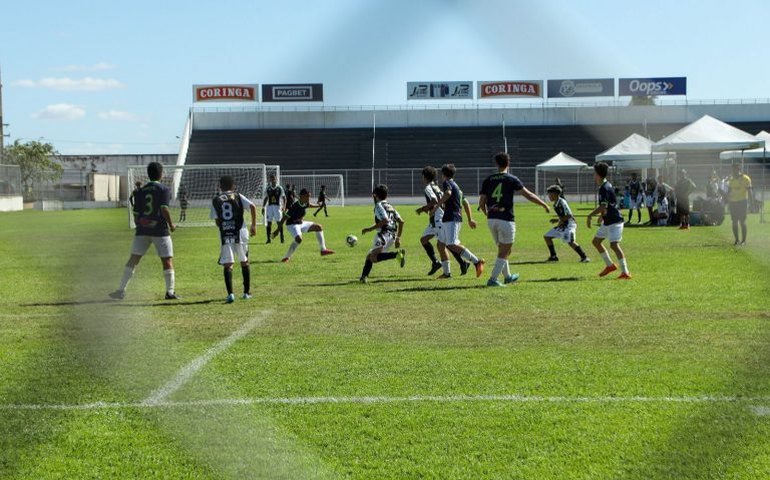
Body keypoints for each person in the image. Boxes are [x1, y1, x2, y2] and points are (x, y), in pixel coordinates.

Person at [478, 152, 551, 287]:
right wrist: (543, 204)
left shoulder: (488, 179)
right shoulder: (511, 179)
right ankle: (493, 279)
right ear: (508, 163)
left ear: (496, 163)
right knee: (505, 250)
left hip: (491, 219)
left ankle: (508, 277)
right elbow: (528, 195)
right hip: (506, 219)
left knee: (503, 249)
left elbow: (481, 202)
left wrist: (488, 214)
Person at [110, 162, 179, 300]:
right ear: (161, 174)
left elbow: (136, 213)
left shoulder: (141, 190)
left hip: (142, 230)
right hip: (160, 230)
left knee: (133, 259)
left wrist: (141, 224)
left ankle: (121, 290)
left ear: (148, 174)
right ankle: (170, 292)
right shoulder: (163, 189)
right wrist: (171, 225)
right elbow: (164, 208)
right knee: (166, 260)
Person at [415, 166, 471, 276]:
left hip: (438, 219)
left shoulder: (428, 188)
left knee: (446, 244)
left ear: (424, 177)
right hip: (435, 220)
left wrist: (423, 209)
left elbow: (434, 200)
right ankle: (437, 263)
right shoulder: (436, 187)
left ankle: (458, 266)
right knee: (424, 240)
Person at [211, 175, 257, 303]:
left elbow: (217, 221)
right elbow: (253, 206)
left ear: (220, 186)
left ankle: (230, 294)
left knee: (228, 264)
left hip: (226, 233)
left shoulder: (216, 200)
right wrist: (253, 225)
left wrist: (225, 225)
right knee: (244, 261)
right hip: (240, 232)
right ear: (233, 186)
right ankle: (246, 293)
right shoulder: (238, 196)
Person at [435, 164, 484, 279]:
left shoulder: (447, 183)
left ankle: (477, 262)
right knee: (441, 244)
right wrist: (470, 219)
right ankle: (447, 273)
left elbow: (448, 193)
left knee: (452, 244)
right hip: (449, 218)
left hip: (452, 218)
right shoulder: (457, 187)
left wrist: (436, 207)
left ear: (443, 175)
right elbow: (465, 202)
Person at [587, 162, 631, 279]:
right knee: (596, 242)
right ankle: (610, 266)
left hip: (615, 221)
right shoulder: (606, 185)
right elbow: (608, 204)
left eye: (594, 173)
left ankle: (625, 272)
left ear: (598, 175)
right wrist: (602, 215)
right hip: (607, 221)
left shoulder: (604, 188)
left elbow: (603, 206)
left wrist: (590, 215)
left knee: (614, 245)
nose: (593, 175)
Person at [359, 184, 406, 283]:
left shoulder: (378, 206)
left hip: (384, 235)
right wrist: (398, 238)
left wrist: (370, 229)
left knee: (373, 257)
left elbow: (385, 220)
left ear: (375, 195)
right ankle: (363, 277)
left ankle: (396, 255)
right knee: (370, 256)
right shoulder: (390, 206)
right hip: (392, 236)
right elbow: (401, 221)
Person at [273, 188, 334, 261]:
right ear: (302, 196)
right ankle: (286, 257)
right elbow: (284, 218)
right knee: (299, 239)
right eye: (308, 196)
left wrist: (318, 206)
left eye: (309, 196)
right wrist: (277, 230)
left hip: (301, 223)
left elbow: (309, 205)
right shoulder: (294, 206)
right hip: (292, 225)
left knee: (318, 227)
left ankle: (323, 250)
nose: (309, 198)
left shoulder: (305, 203)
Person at [543, 184, 589, 263]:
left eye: (550, 194)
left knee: (570, 241)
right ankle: (553, 257)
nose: (549, 196)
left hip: (569, 225)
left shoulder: (562, 203)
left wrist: (559, 220)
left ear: (555, 194)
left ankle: (584, 257)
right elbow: (563, 216)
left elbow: (569, 216)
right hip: (563, 225)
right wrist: (557, 220)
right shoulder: (556, 203)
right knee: (547, 237)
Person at [727, 162, 753, 245]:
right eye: (732, 170)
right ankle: (737, 239)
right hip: (733, 203)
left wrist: (751, 202)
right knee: (734, 222)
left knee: (742, 221)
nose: (733, 172)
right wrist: (728, 202)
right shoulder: (731, 179)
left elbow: (750, 191)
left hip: (742, 202)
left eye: (734, 170)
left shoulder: (745, 178)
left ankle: (744, 240)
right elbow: (729, 191)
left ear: (738, 169)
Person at [263, 175, 285, 244]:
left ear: (276, 180)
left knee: (279, 222)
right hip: (269, 207)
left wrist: (284, 206)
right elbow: (266, 198)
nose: (273, 180)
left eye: (274, 179)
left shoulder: (279, 188)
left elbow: (284, 198)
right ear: (270, 180)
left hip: (277, 207)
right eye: (271, 179)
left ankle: (282, 238)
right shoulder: (268, 188)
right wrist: (263, 207)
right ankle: (268, 239)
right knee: (269, 223)